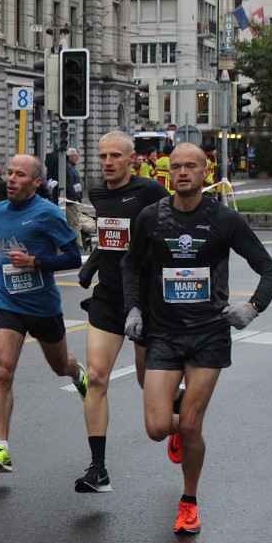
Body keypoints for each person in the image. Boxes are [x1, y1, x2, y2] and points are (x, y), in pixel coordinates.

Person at [122, 143, 272, 535]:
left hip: (209, 334)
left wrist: (252, 308)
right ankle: (177, 414)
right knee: (158, 428)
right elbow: (130, 265)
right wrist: (133, 309)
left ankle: (189, 502)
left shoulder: (224, 219)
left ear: (206, 172)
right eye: (175, 166)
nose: (182, 172)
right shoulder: (150, 217)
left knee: (191, 426)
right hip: (163, 332)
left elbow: (269, 270)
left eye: (190, 166)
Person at [0, 153, 87, 473]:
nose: (11, 179)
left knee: (60, 366)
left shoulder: (49, 213)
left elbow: (72, 258)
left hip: (43, 305)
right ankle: (2, 449)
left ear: (36, 182)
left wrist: (36, 262)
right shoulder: (0, 210)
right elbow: (2, 250)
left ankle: (78, 373)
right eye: (9, 172)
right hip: (8, 302)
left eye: (19, 175)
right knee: (3, 371)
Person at [73, 132, 168, 493]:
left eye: (115, 156)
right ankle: (98, 469)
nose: (107, 162)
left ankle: (179, 415)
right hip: (109, 297)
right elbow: (111, 239)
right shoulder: (97, 194)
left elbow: (170, 228)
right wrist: (91, 267)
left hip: (146, 301)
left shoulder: (149, 193)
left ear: (132, 159)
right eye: (102, 156)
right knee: (96, 378)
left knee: (148, 384)